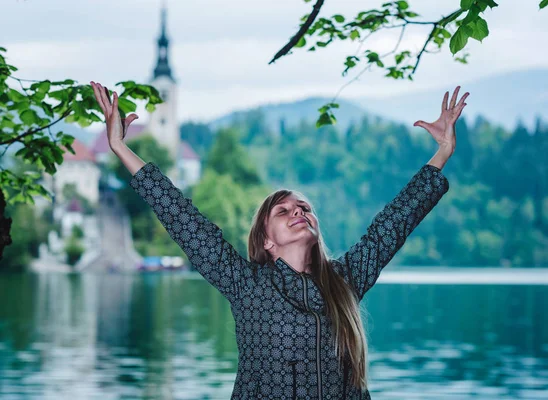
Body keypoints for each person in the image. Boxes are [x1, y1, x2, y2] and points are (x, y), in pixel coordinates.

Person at [90, 81, 468, 399]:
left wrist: (443, 152)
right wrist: (122, 148)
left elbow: (394, 223)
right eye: (283, 211)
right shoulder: (247, 284)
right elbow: (183, 219)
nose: (298, 212)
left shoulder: (346, 280)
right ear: (266, 241)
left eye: (303, 208)